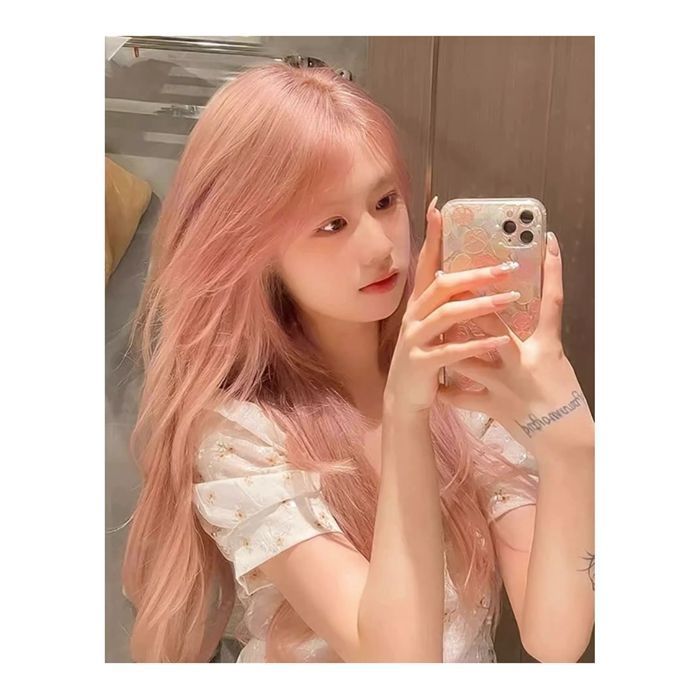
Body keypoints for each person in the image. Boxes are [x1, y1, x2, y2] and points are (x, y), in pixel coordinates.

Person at [121, 63, 595, 663]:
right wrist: (405, 414)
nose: (379, 246)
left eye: (385, 201)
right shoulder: (245, 433)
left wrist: (573, 447)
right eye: (331, 224)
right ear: (251, 248)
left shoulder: (463, 384)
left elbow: (555, 641)